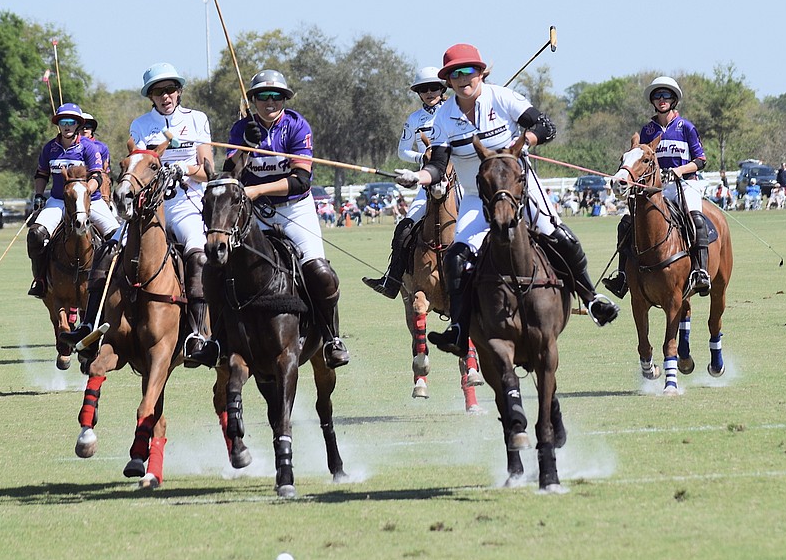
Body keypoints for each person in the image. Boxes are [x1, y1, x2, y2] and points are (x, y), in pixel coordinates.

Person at [392, 44, 619, 357]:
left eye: (468, 71)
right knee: (456, 256)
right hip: (475, 195)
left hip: (518, 188)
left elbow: (545, 126)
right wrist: (418, 178)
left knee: (560, 235)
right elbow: (437, 163)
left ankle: (591, 298)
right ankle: (459, 328)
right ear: (449, 81)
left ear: (481, 72)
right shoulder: (444, 117)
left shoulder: (502, 98)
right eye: (454, 74)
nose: (462, 78)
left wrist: (525, 140)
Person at [192, 69, 349, 369]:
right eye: (262, 97)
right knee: (215, 270)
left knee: (320, 273)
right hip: (255, 217)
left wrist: (256, 189)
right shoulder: (242, 129)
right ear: (253, 100)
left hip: (294, 210)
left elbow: (301, 180)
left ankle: (331, 338)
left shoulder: (297, 126)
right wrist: (245, 150)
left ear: (284, 100)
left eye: (276, 96)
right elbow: (229, 174)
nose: (269, 102)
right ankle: (216, 340)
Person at [61, 63, 214, 364]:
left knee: (197, 251)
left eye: (170, 89)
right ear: (151, 97)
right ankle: (89, 327)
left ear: (179, 91)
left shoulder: (197, 120)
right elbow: (138, 163)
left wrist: (183, 168)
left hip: (185, 204)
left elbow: (208, 170)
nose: (165, 96)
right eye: (158, 92)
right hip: (150, 208)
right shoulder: (141, 124)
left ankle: (198, 333)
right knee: (108, 249)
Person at [602, 76, 712, 299]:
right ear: (652, 101)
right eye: (657, 96)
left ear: (674, 100)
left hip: (684, 184)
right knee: (626, 224)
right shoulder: (648, 130)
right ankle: (623, 277)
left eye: (666, 96)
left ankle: (700, 272)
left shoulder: (686, 127)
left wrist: (679, 171)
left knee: (696, 220)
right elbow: (639, 159)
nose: (662, 99)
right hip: (655, 189)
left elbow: (701, 159)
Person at [362, 67, 449, 298]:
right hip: (426, 181)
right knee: (404, 228)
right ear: (418, 93)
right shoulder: (414, 119)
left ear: (442, 88)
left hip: (456, 181)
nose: (429, 92)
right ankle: (391, 281)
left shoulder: (454, 111)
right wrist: (422, 158)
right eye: (423, 89)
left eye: (433, 88)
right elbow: (402, 151)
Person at [27, 103, 120, 298]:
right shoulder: (49, 148)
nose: (67, 126)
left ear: (77, 124)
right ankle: (40, 279)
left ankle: (116, 281)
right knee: (36, 235)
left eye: (71, 122)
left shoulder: (89, 147)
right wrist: (38, 195)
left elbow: (97, 176)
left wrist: (86, 192)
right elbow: (41, 174)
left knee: (117, 236)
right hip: (59, 200)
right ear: (58, 125)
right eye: (63, 122)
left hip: (90, 201)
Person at [79, 110, 112, 204]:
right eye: (81, 127)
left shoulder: (102, 147)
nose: (84, 129)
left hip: (96, 183)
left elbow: (105, 171)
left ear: (92, 129)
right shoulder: (70, 145)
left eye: (88, 126)